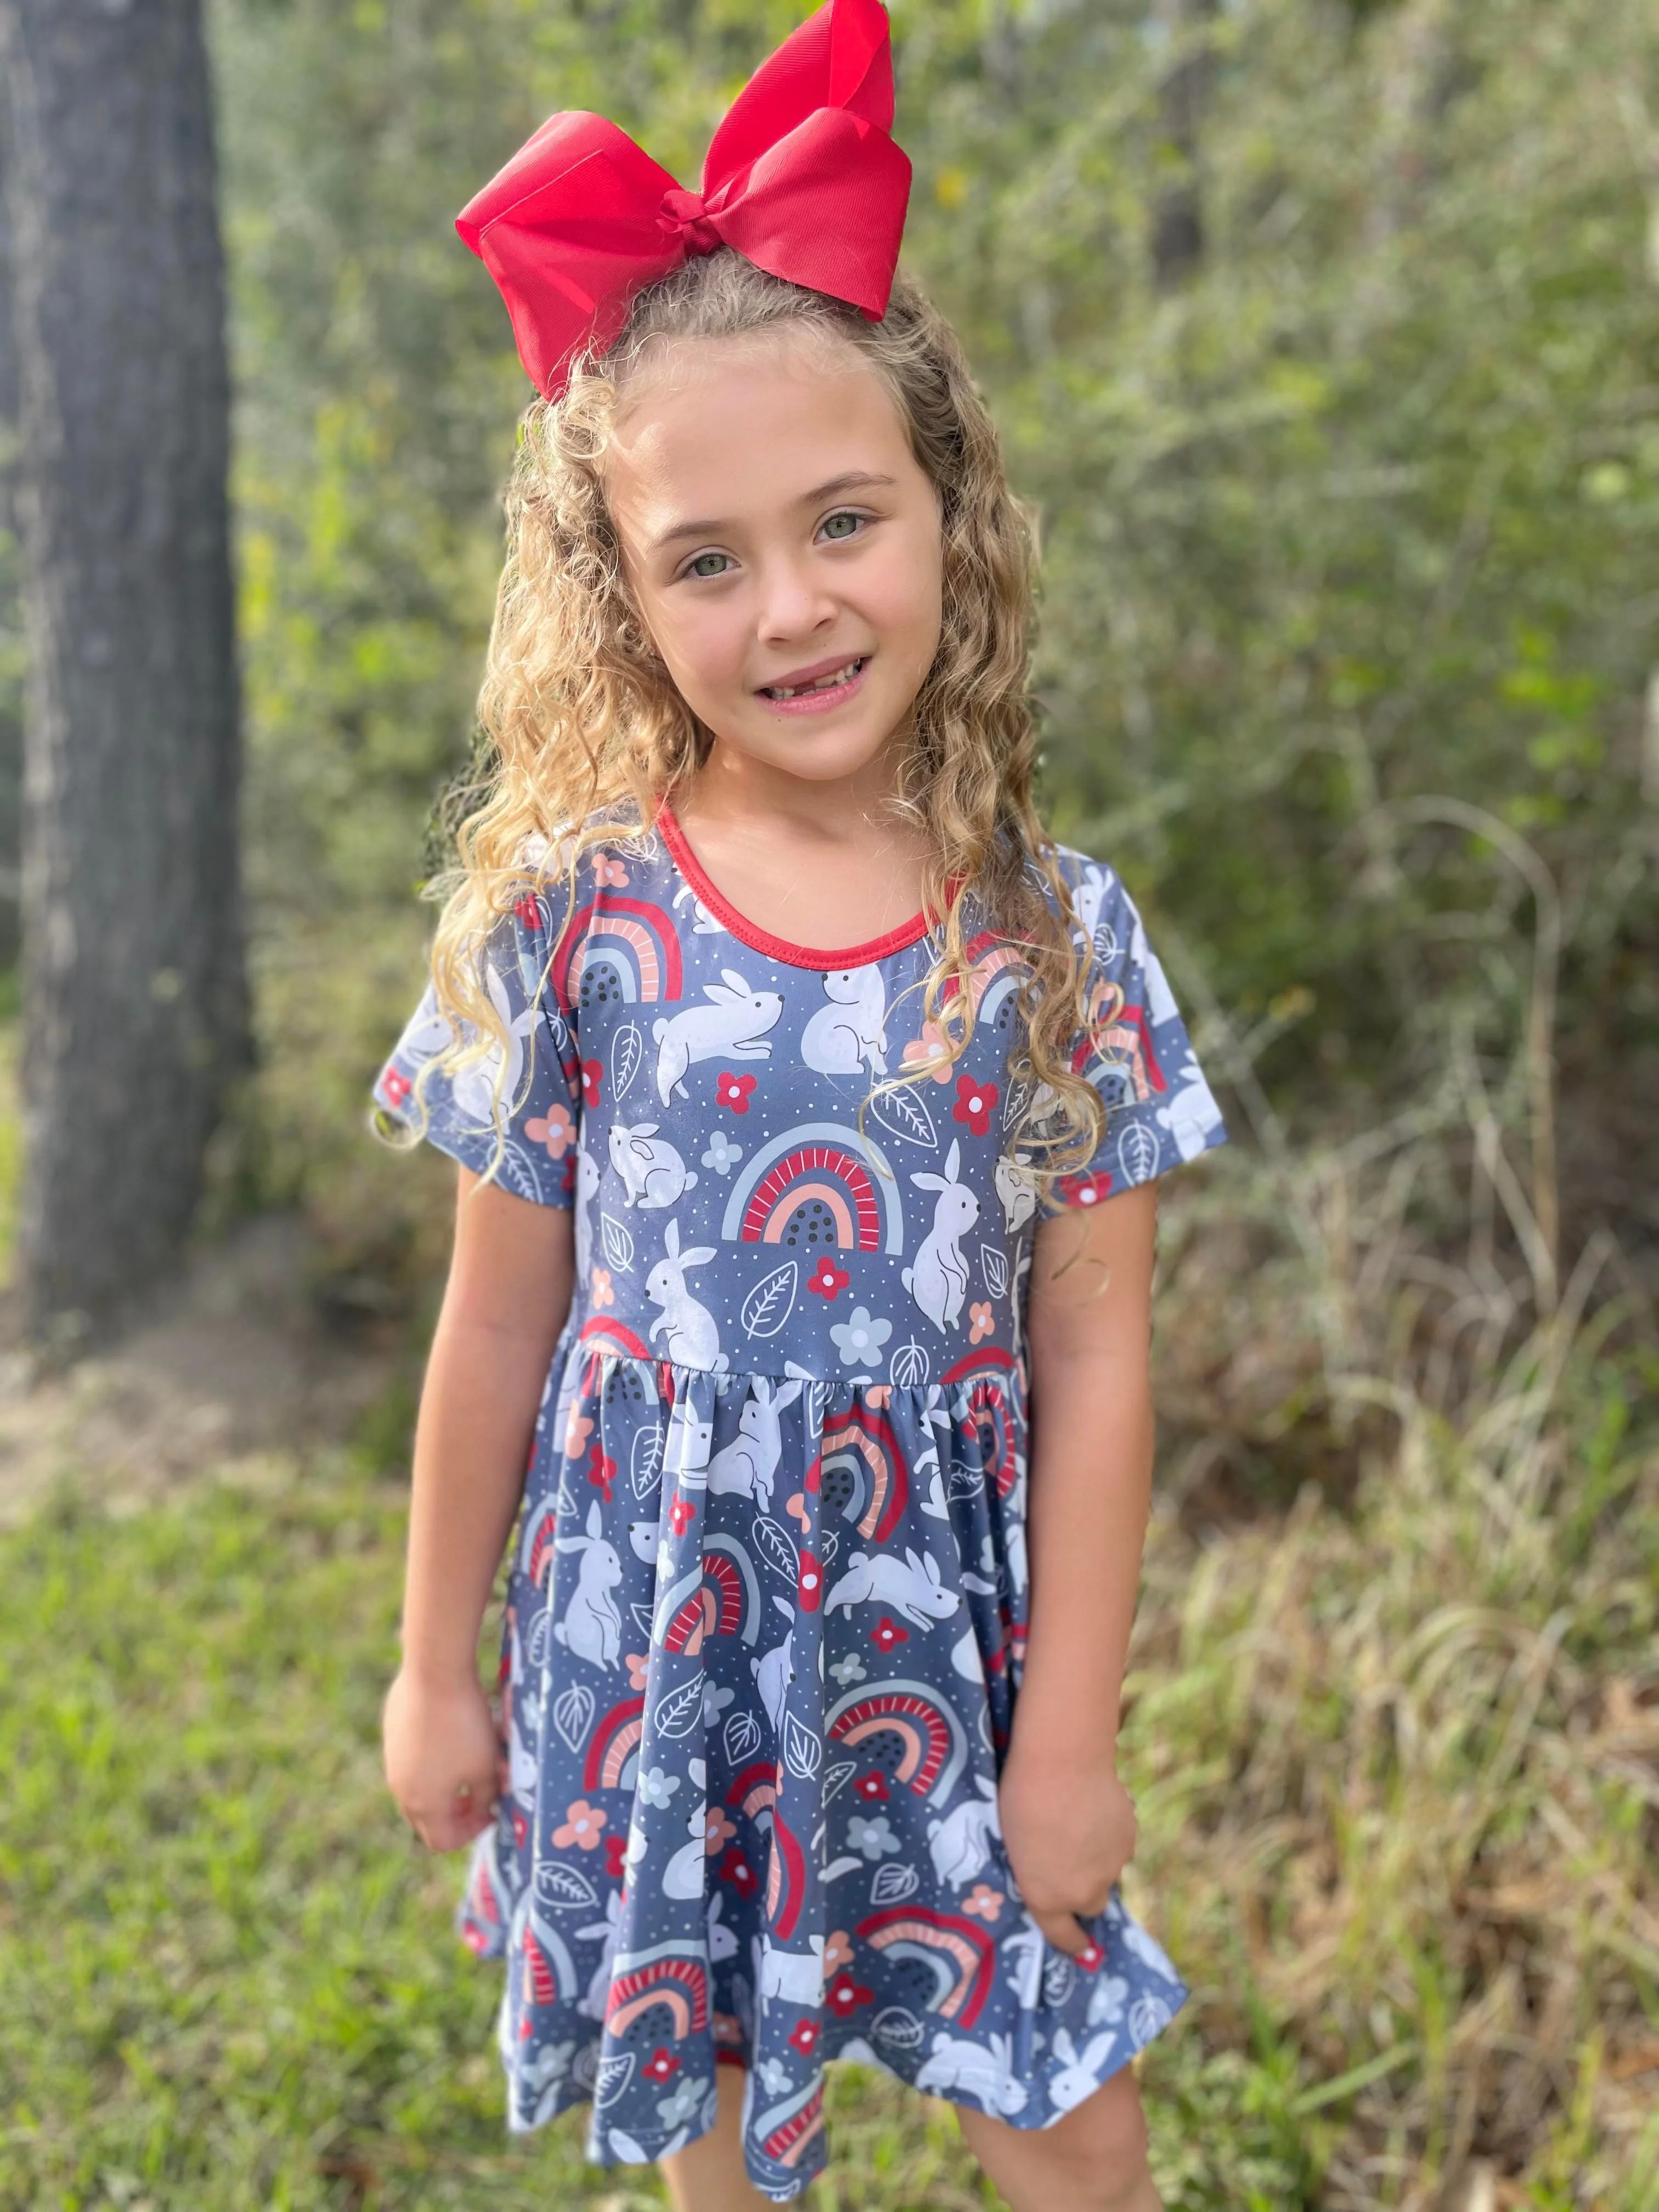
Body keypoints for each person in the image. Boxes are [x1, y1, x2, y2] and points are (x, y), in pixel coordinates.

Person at [370, 3, 1228, 2204]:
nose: (793, 606)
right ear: (620, 596)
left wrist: (1067, 1745)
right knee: (723, 2117)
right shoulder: (578, 920)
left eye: (843, 518)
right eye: (707, 558)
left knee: (1070, 2108)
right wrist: (433, 1673)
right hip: (658, 1641)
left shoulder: (1056, 936)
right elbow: (497, 1322)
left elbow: (1101, 1346)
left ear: (946, 508)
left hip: (951, 1638)